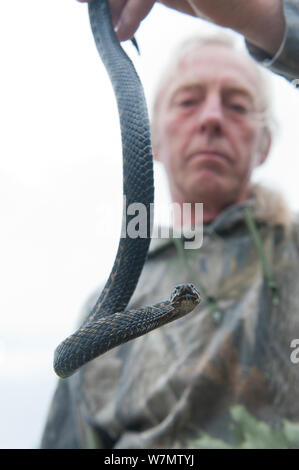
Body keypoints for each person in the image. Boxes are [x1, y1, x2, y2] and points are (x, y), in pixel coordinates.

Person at [41, 0, 299, 448]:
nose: (212, 119)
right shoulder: (106, 312)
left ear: (264, 145)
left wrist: (259, 16)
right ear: (154, 139)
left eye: (237, 105)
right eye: (188, 101)